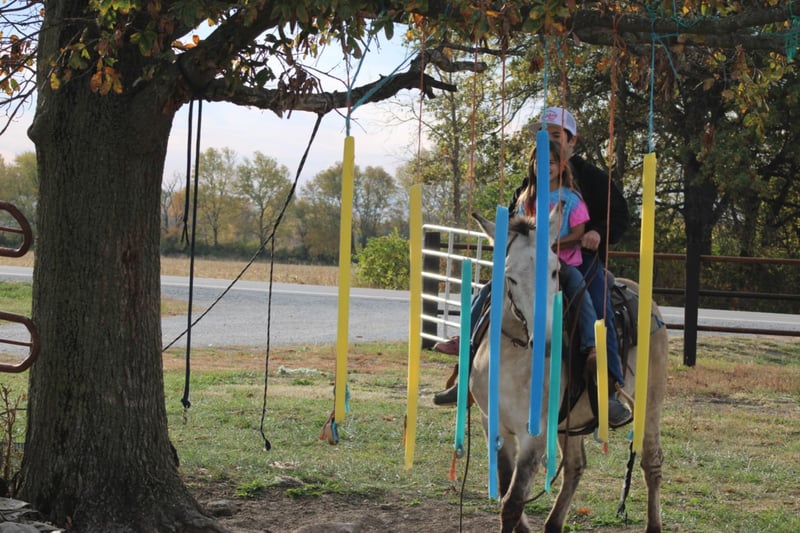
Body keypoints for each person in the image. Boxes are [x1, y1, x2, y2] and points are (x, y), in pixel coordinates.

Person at [433, 107, 631, 425]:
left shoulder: (593, 180)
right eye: (543, 136)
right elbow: (517, 224)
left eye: (556, 135)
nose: (548, 142)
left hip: (577, 258)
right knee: (489, 291)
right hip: (531, 262)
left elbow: (619, 215)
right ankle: (466, 364)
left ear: (572, 141)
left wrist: (597, 232)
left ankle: (607, 387)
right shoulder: (530, 185)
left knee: (597, 300)